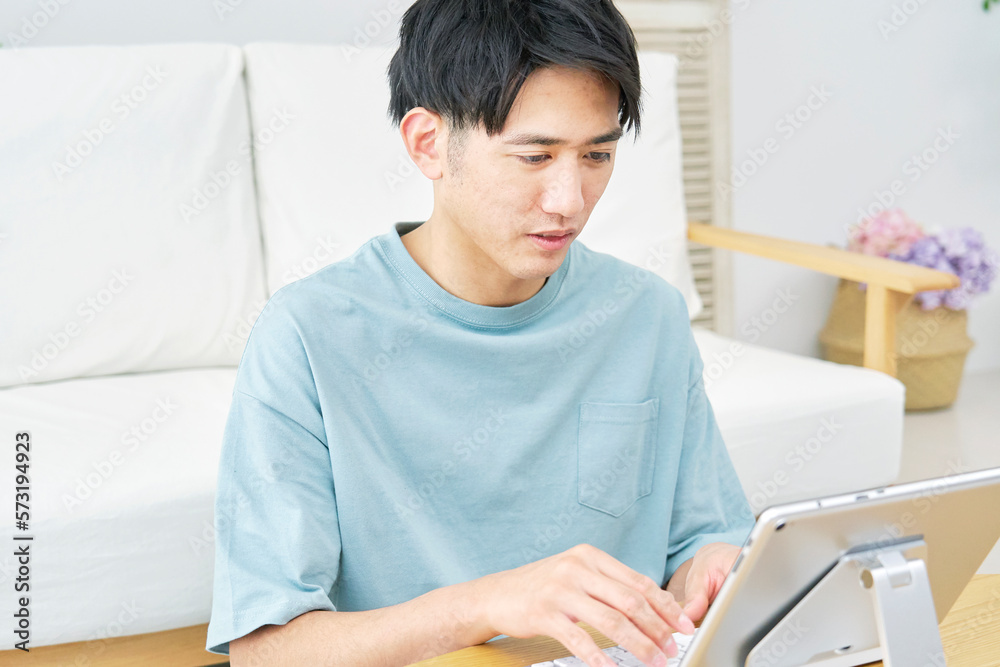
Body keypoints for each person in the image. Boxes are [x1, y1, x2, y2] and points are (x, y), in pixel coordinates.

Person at [206, 1, 756, 665]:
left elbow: (702, 541)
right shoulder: (308, 334)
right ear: (429, 143)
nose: (569, 199)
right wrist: (487, 604)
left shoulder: (648, 315)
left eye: (597, 154)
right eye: (534, 156)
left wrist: (710, 572)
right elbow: (265, 652)